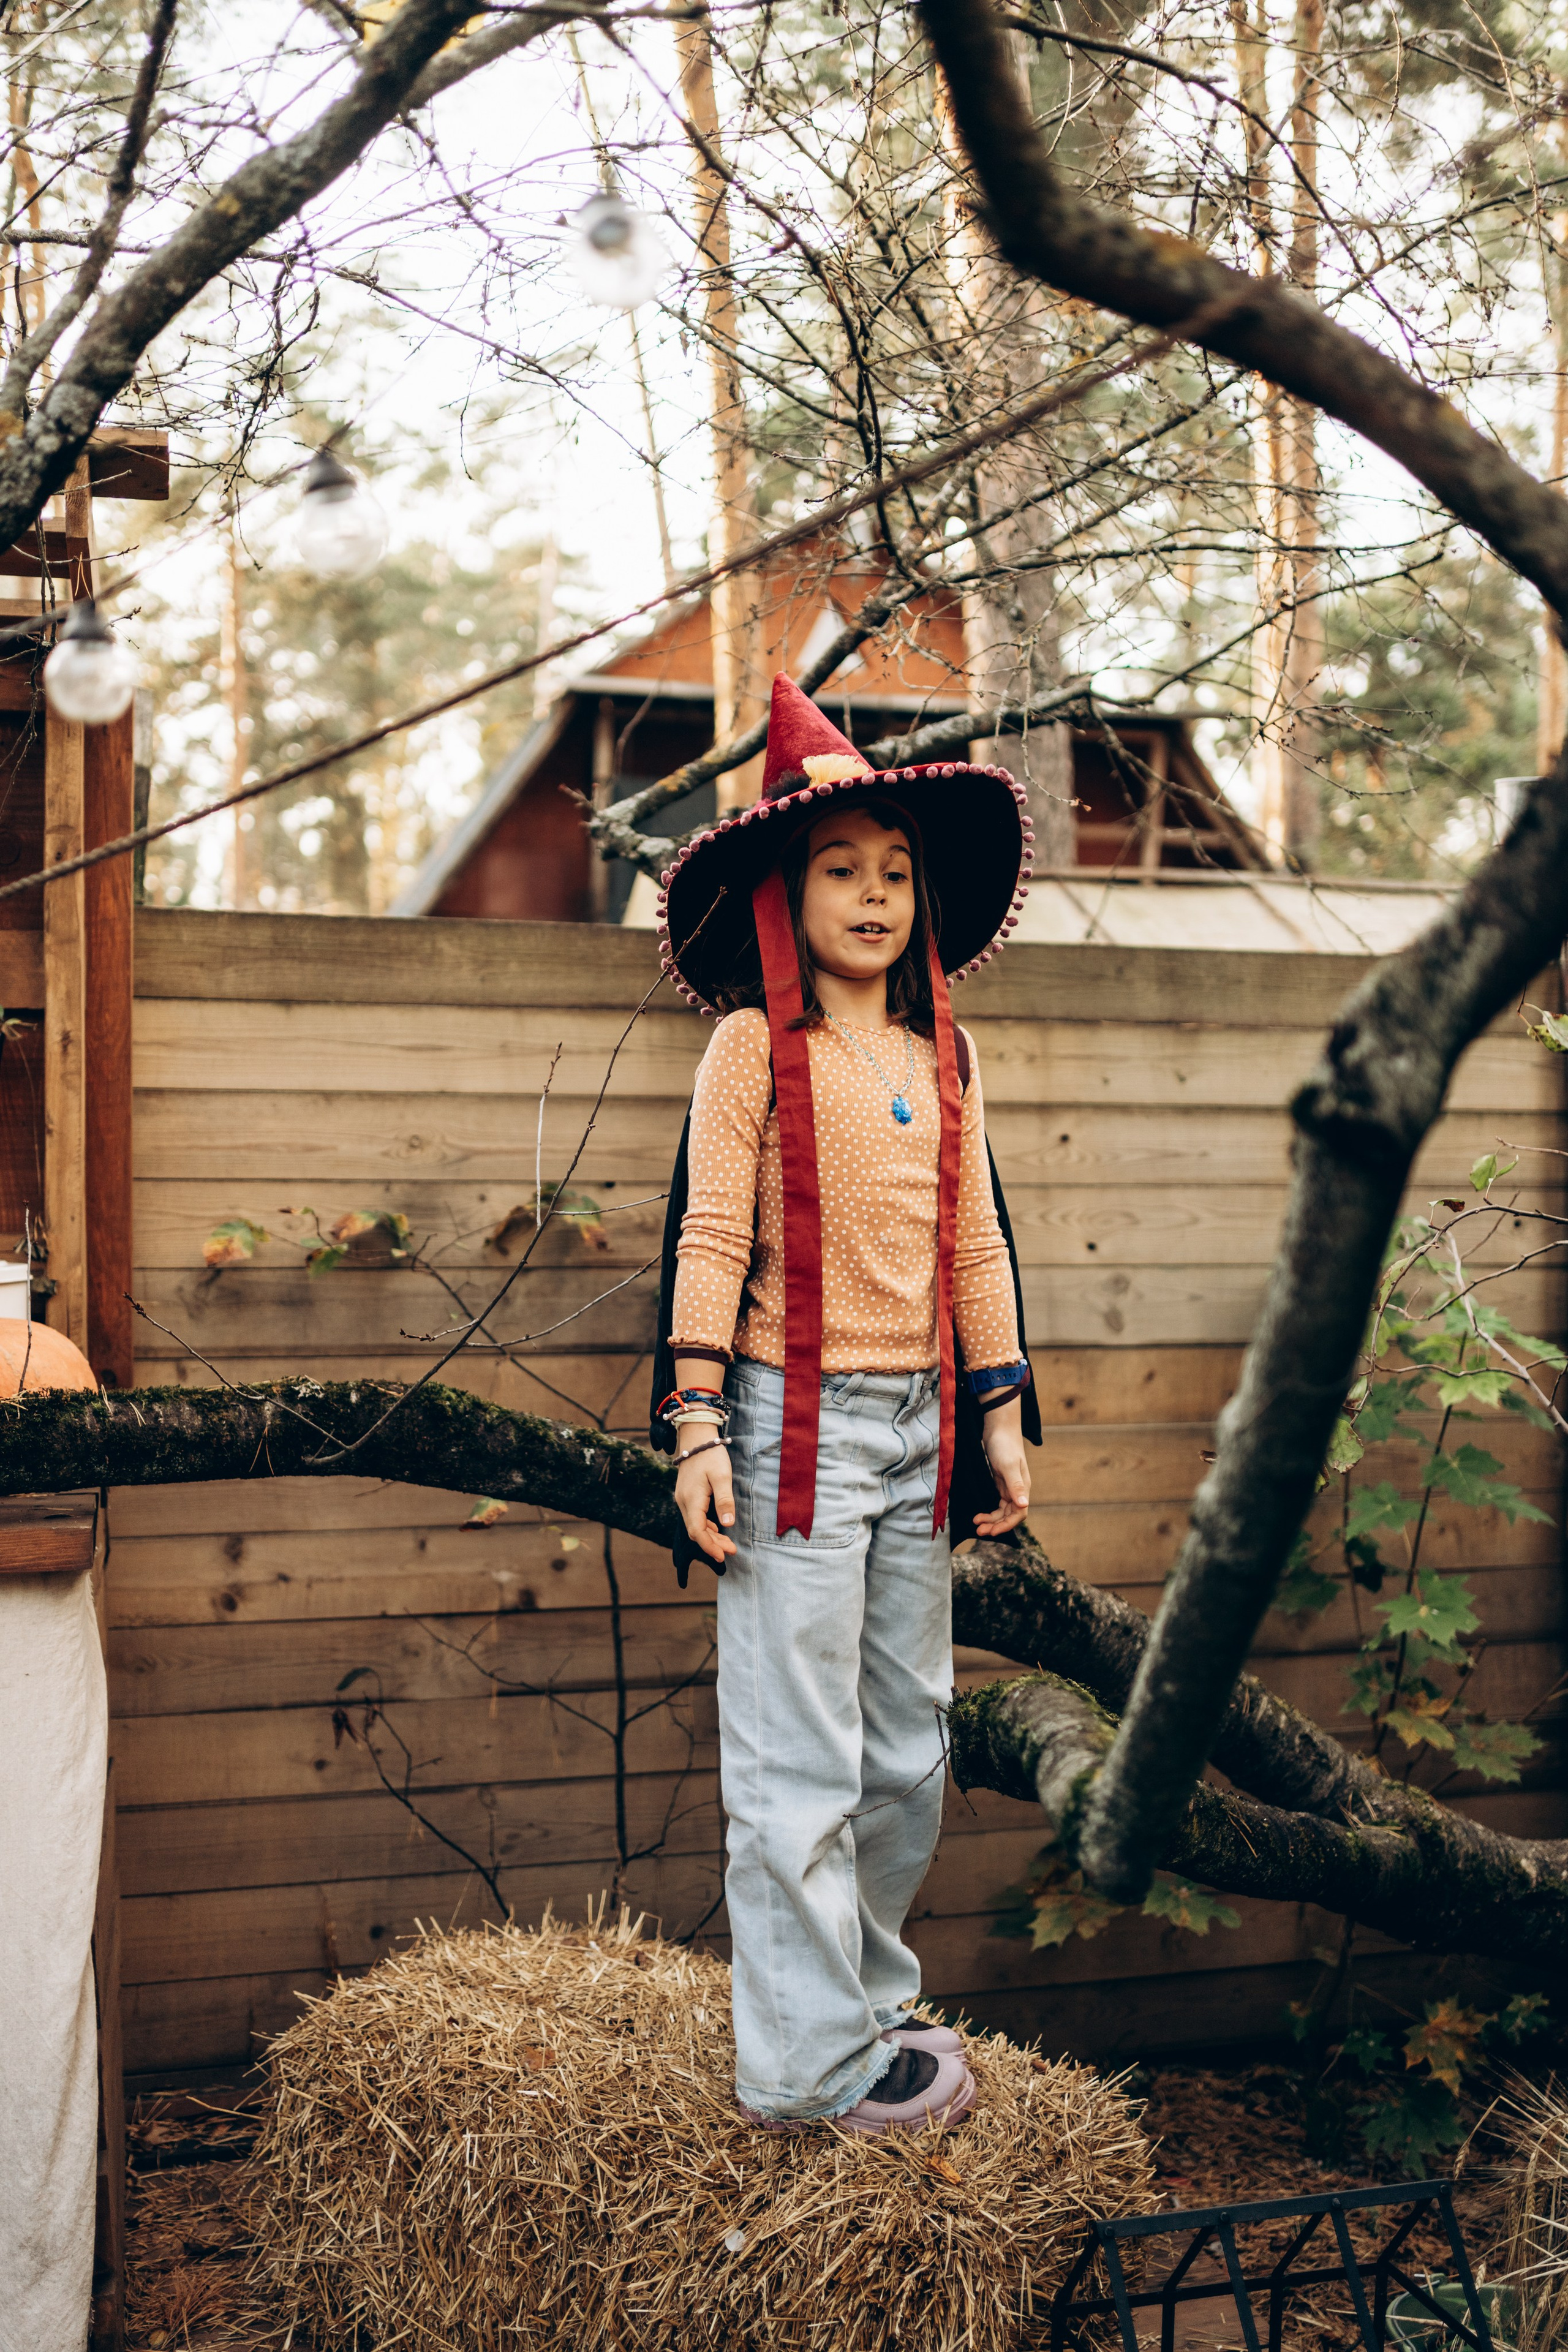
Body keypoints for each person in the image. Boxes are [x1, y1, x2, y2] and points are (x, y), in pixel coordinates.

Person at [649, 674, 1039, 2135]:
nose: (872, 895)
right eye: (840, 870)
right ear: (783, 890)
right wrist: (693, 1426)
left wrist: (999, 1415)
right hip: (784, 1427)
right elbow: (705, 1237)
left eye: (893, 872)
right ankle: (800, 2073)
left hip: (921, 1429)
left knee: (903, 1751)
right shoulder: (754, 1047)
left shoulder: (947, 1053)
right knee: (795, 1756)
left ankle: (865, 2004)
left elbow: (976, 1240)